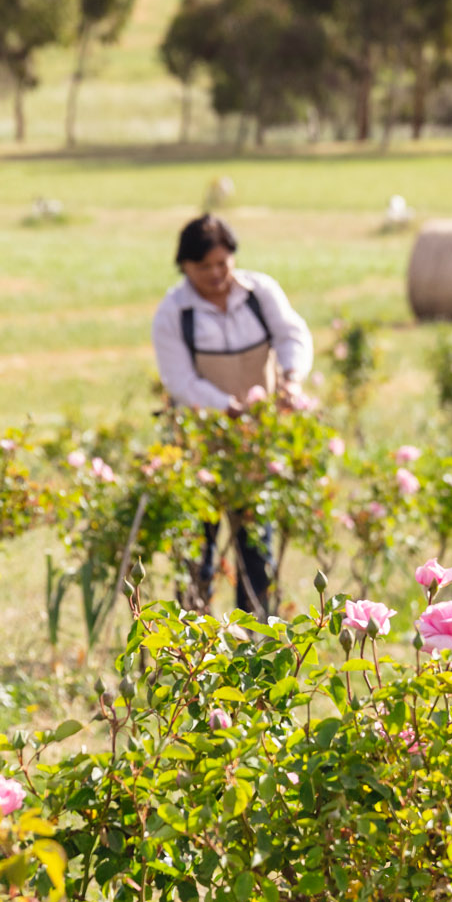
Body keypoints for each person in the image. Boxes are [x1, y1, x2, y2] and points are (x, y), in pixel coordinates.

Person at [151, 213, 314, 614]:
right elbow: (179, 380)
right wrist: (226, 406)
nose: (215, 274)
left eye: (221, 263)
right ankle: (195, 633)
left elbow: (292, 336)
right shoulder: (174, 313)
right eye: (203, 266)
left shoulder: (260, 293)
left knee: (256, 548)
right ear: (184, 266)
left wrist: (291, 379)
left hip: (256, 445)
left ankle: (254, 633)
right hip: (200, 444)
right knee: (197, 548)